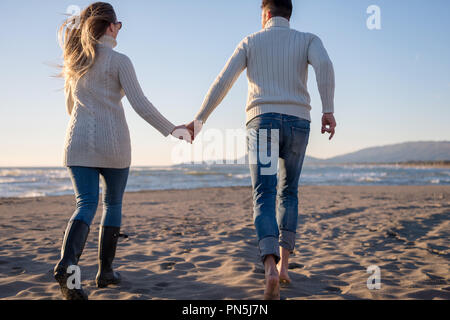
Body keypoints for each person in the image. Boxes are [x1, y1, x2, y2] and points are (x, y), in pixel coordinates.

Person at [187, 0, 337, 300]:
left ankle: (269, 268)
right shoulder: (308, 39)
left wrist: (199, 119)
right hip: (298, 123)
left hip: (263, 122)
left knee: (263, 195)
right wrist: (328, 110)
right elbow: (325, 65)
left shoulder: (251, 41)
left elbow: (223, 80)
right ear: (288, 13)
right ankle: (284, 268)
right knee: (289, 192)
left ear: (265, 13)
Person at [54, 2, 191, 300]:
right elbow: (140, 104)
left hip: (77, 145)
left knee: (86, 204)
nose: (120, 29)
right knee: (112, 204)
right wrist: (174, 129)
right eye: (118, 24)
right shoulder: (120, 61)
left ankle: (68, 265)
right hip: (115, 146)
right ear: (108, 26)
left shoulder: (75, 62)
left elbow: (69, 108)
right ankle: (105, 272)